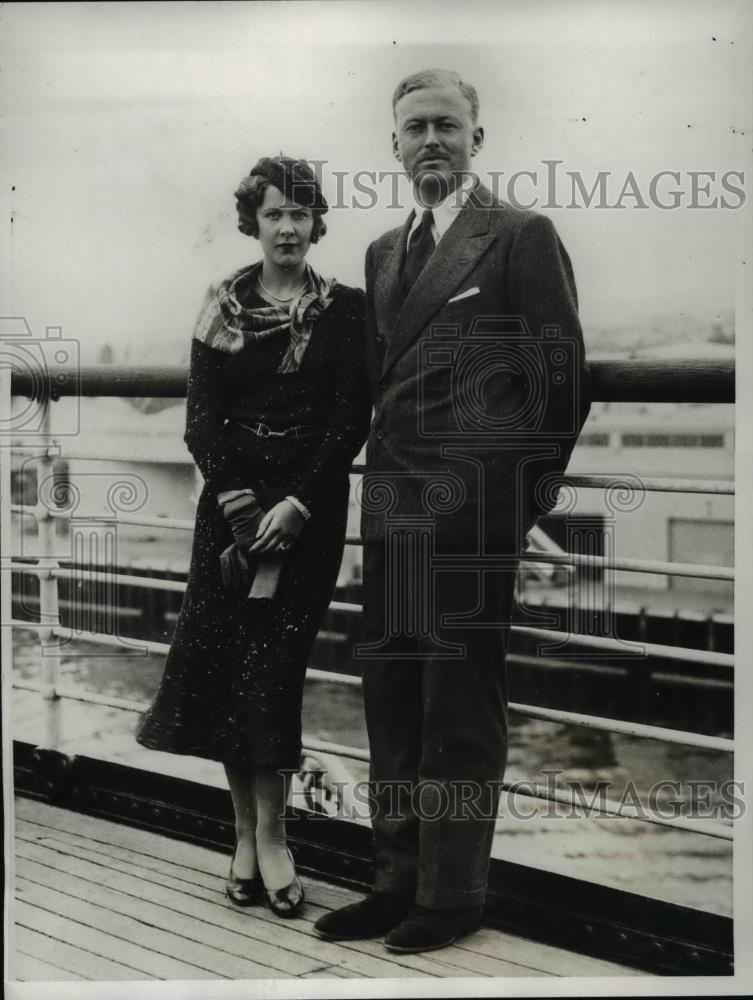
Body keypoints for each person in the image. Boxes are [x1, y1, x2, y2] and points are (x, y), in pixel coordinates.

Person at [315, 69, 591, 952]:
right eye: (413, 129)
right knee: (391, 697)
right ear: (392, 146)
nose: (429, 140)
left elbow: (560, 386)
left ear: (478, 137)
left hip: (472, 520)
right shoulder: (383, 253)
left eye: (446, 125)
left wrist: (511, 509)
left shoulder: (518, 236)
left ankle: (451, 894)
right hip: (391, 508)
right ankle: (393, 880)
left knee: (459, 709)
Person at [136, 155, 371, 918]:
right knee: (225, 671)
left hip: (307, 511)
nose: (288, 227)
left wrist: (298, 504)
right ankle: (243, 839)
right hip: (231, 516)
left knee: (271, 675)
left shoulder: (344, 310)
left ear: (316, 223)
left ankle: (275, 838)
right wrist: (241, 509)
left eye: (301, 213)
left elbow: (349, 420)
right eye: (274, 213)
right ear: (254, 220)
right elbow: (200, 420)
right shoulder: (221, 307)